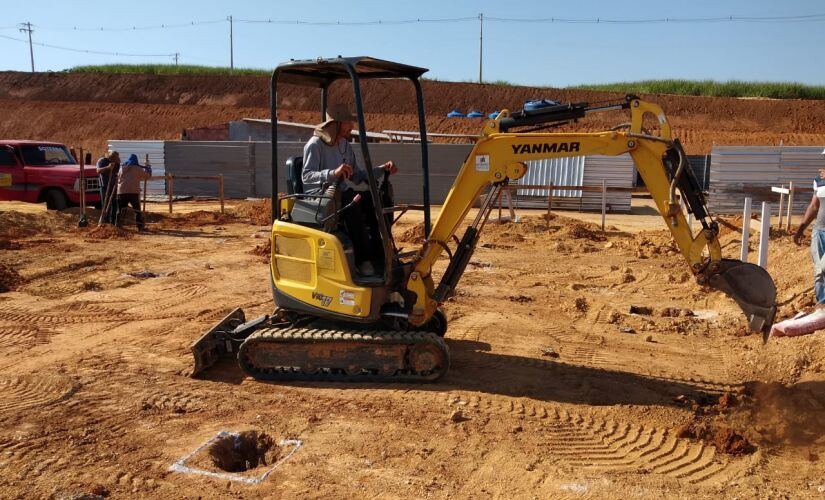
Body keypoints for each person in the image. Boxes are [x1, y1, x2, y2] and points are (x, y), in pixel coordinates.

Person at [301, 104, 398, 276]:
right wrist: (333, 173)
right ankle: (362, 260)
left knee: (373, 201)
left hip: (342, 193)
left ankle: (380, 254)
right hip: (321, 197)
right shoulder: (314, 145)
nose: (352, 127)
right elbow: (307, 176)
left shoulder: (345, 145)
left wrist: (382, 168)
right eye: (348, 123)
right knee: (352, 206)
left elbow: (357, 176)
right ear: (336, 124)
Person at [793, 162, 825, 306]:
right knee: (819, 270)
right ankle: (822, 304)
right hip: (819, 232)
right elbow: (814, 206)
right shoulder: (819, 181)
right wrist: (801, 228)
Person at [116, 153, 152, 231]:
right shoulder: (137, 168)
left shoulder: (122, 168)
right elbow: (148, 176)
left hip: (121, 192)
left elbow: (118, 176)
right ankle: (140, 226)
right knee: (137, 210)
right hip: (133, 192)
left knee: (120, 210)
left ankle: (118, 225)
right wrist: (148, 166)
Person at [96, 150, 120, 223]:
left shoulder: (117, 162)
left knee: (115, 204)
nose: (115, 160)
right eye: (114, 159)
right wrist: (108, 167)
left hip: (113, 185)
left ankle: (113, 222)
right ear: (109, 158)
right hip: (104, 185)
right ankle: (105, 222)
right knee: (105, 204)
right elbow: (98, 171)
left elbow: (117, 172)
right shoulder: (102, 161)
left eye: (116, 159)